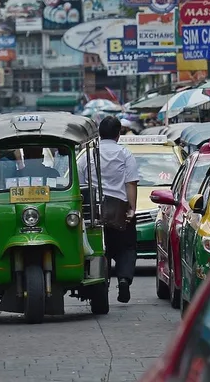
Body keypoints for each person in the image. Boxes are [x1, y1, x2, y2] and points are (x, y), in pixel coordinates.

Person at [79, 115, 139, 304]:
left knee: (98, 250)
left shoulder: (88, 155)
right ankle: (123, 279)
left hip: (94, 211)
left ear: (99, 133)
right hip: (119, 210)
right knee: (126, 248)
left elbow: (80, 183)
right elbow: (131, 184)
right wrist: (132, 209)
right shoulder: (125, 154)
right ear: (118, 134)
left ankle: (99, 283)